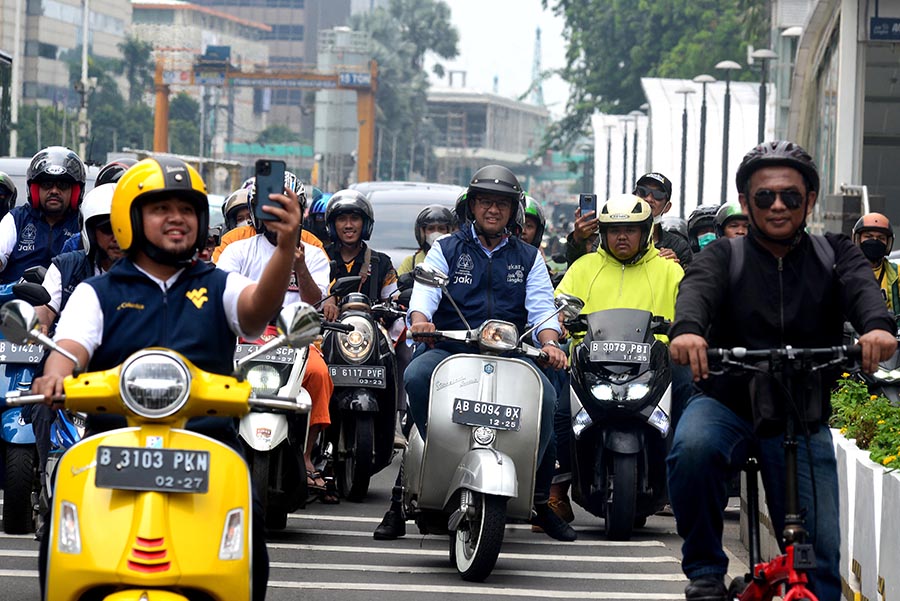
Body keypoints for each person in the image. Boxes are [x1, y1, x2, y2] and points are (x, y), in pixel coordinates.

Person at [30, 156, 303, 601]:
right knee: (61, 512)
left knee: (250, 527)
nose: (177, 218)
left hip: (207, 445)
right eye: (161, 208)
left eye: (187, 209)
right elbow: (71, 345)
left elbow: (256, 311)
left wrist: (286, 246)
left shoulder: (220, 284)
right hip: (112, 445)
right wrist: (55, 376)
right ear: (130, 218)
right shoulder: (97, 293)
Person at [666, 141, 897, 601]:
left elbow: (863, 291)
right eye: (764, 196)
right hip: (727, 403)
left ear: (809, 200)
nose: (777, 205)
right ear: (746, 201)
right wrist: (688, 331)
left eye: (790, 196)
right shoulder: (723, 256)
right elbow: (696, 291)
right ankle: (706, 571)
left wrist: (877, 327)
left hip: (801, 412)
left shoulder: (835, 254)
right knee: (692, 449)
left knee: (821, 562)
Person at [373, 164, 576, 542]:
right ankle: (418, 476)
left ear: (513, 211)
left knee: (546, 399)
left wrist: (549, 343)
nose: (493, 210)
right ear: (471, 206)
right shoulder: (445, 249)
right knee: (417, 376)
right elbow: (425, 295)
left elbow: (542, 310)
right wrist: (421, 322)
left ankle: (538, 498)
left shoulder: (528, 257)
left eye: (502, 204)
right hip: (452, 350)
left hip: (512, 354)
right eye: (485, 201)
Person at [552, 194, 684, 518]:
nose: (621, 236)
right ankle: (555, 493)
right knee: (559, 412)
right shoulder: (583, 268)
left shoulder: (669, 270)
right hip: (591, 364)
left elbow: (691, 309)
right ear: (603, 233)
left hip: (653, 365)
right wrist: (560, 323)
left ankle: (686, 487)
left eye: (630, 229)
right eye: (614, 230)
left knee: (691, 405)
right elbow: (557, 307)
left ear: (646, 231)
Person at [216, 175, 337, 500]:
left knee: (318, 374)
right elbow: (223, 294)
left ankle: (307, 457)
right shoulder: (238, 249)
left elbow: (315, 303)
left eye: (285, 207)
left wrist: (300, 267)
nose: (276, 215)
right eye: (268, 208)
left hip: (294, 338)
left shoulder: (313, 252)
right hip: (244, 335)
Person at [567, 172, 692, 266]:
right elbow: (581, 271)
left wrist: (676, 266)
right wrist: (578, 239)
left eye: (658, 195)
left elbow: (689, 285)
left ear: (667, 207)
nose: (649, 199)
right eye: (643, 191)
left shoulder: (678, 246)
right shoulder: (604, 242)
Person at [0, 146, 83, 284]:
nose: (54, 191)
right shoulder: (15, 219)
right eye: (47, 184)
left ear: (75, 192)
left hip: (66, 296)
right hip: (14, 295)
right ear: (34, 190)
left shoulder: (83, 224)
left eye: (62, 185)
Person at [212, 171, 327, 263]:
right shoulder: (233, 242)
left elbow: (326, 285)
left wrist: (301, 269)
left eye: (286, 207)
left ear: (299, 212)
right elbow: (219, 280)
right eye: (271, 207)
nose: (278, 213)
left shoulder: (313, 245)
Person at [325, 189, 398, 303]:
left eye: (354, 218)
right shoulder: (321, 258)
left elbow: (394, 301)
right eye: (341, 219)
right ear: (333, 225)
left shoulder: (382, 263)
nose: (348, 225)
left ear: (365, 223)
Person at [852, 212, 900, 317]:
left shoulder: (897, 274)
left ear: (888, 244)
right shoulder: (844, 273)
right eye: (868, 236)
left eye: (881, 238)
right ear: (858, 240)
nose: (874, 241)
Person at [397, 204, 458, 275]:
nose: (436, 233)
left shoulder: (458, 260)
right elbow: (399, 281)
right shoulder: (411, 262)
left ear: (449, 231)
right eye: (431, 229)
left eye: (441, 229)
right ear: (422, 233)